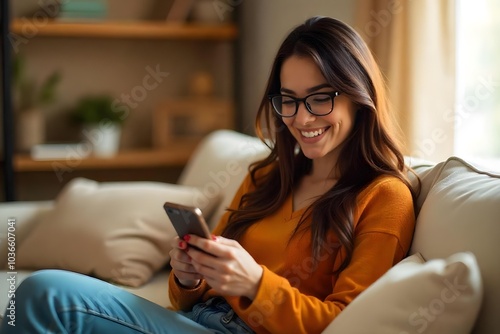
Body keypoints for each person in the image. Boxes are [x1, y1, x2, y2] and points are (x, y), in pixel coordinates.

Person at [1, 16, 418, 334]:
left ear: (359, 97)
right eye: (288, 101)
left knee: (45, 293)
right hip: (201, 320)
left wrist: (255, 284)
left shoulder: (384, 197)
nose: (301, 117)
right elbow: (186, 300)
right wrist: (188, 275)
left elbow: (345, 324)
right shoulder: (267, 178)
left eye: (319, 98)